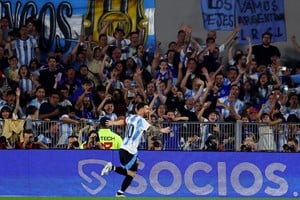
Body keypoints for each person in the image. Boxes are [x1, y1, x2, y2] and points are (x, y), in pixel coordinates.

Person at [100, 102, 170, 197]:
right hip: (130, 150)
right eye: (146, 108)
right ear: (140, 109)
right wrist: (161, 130)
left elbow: (123, 121)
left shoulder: (131, 117)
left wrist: (113, 123)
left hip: (123, 148)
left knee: (132, 170)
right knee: (131, 173)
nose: (148, 110)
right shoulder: (141, 121)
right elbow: (151, 129)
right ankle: (113, 173)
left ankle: (119, 190)